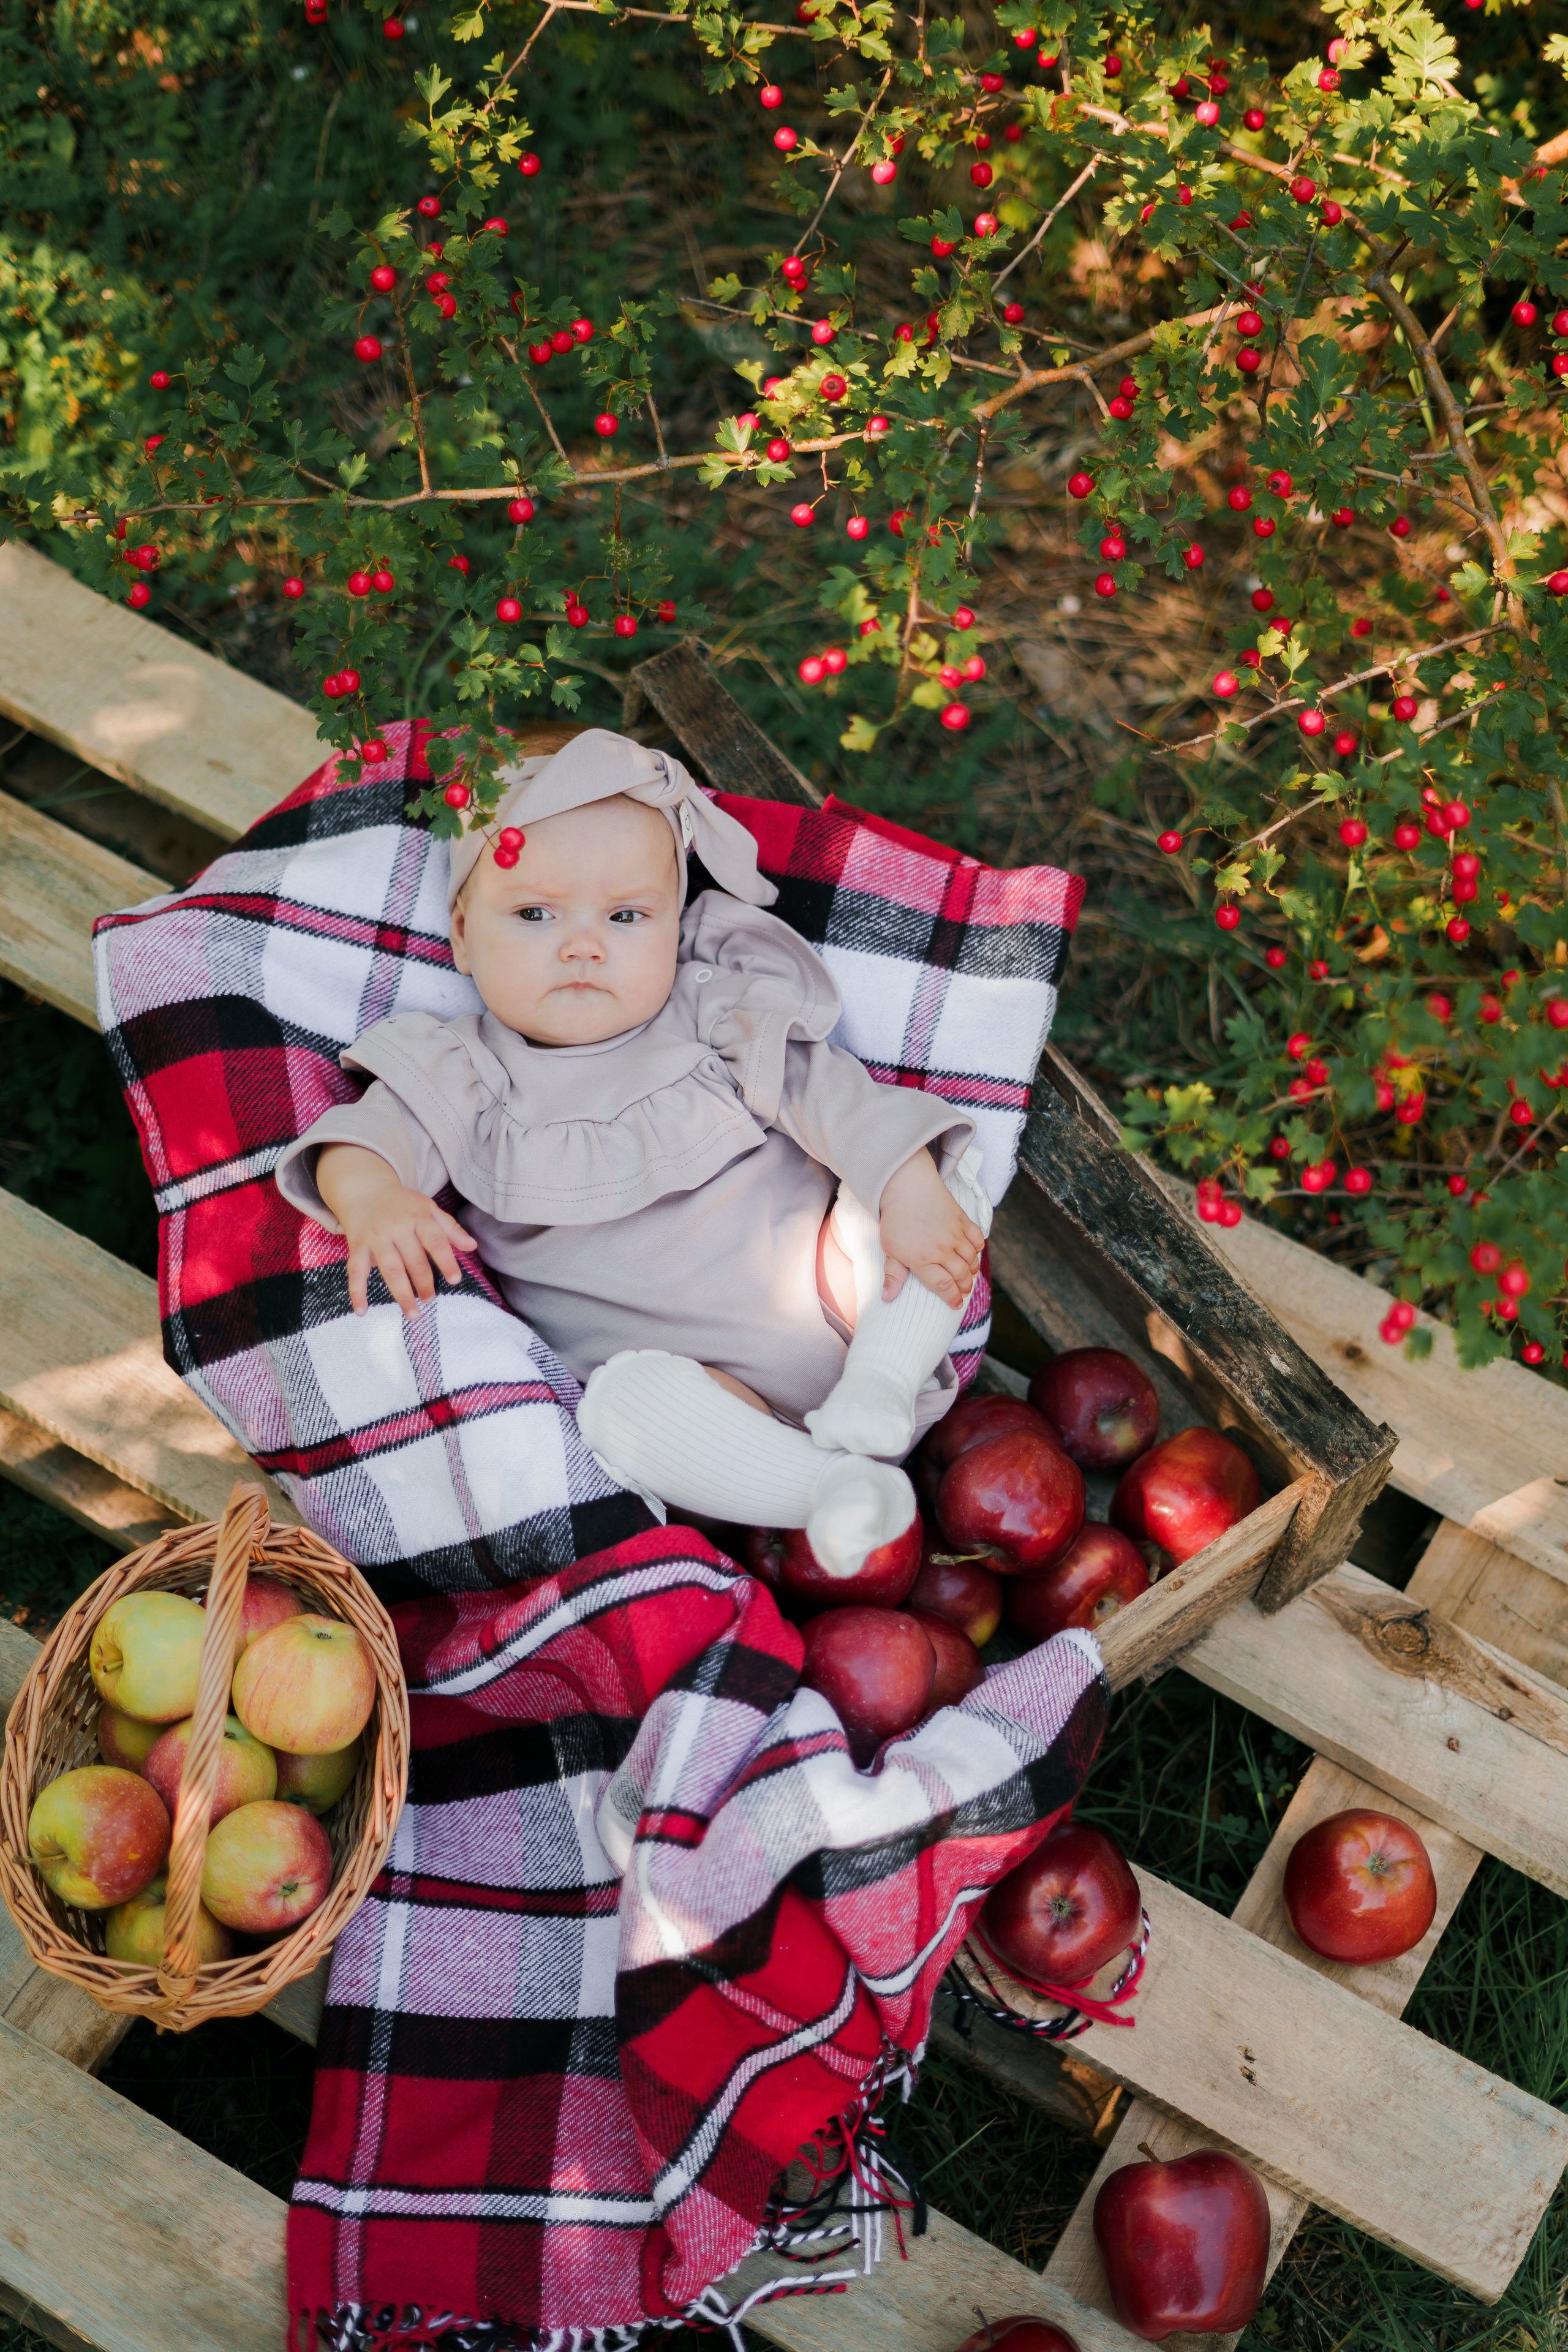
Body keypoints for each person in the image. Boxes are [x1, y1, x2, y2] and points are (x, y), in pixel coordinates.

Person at [276, 728, 991, 1581]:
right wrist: (373, 1201)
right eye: (535, 914)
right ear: (463, 936)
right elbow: (361, 1146)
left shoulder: (712, 1015)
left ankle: (881, 1384)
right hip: (718, 1415)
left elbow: (843, 1101)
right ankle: (830, 1490)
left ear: (673, 926)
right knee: (622, 1411)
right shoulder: (462, 1073)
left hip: (851, 1295)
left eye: (625, 916)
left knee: (935, 1165)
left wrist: (906, 1187)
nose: (584, 945)